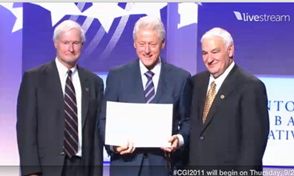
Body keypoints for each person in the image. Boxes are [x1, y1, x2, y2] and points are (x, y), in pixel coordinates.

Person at [100, 16, 191, 176]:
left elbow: (188, 121)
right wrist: (114, 145)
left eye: (152, 44)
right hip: (125, 165)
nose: (147, 50)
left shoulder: (181, 78)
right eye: (142, 44)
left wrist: (179, 140)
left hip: (163, 166)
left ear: (163, 44)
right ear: (135, 44)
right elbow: (103, 121)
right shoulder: (117, 76)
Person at [16, 20, 104, 176]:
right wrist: (31, 171)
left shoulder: (94, 82)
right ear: (56, 43)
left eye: (76, 43)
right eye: (65, 42)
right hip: (47, 167)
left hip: (83, 167)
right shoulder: (34, 78)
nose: (71, 48)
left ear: (82, 46)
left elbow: (96, 134)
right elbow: (26, 129)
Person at [188, 27, 269, 173]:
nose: (209, 59)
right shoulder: (195, 83)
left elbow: (253, 145)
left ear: (230, 50)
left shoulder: (250, 87)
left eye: (215, 52)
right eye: (204, 53)